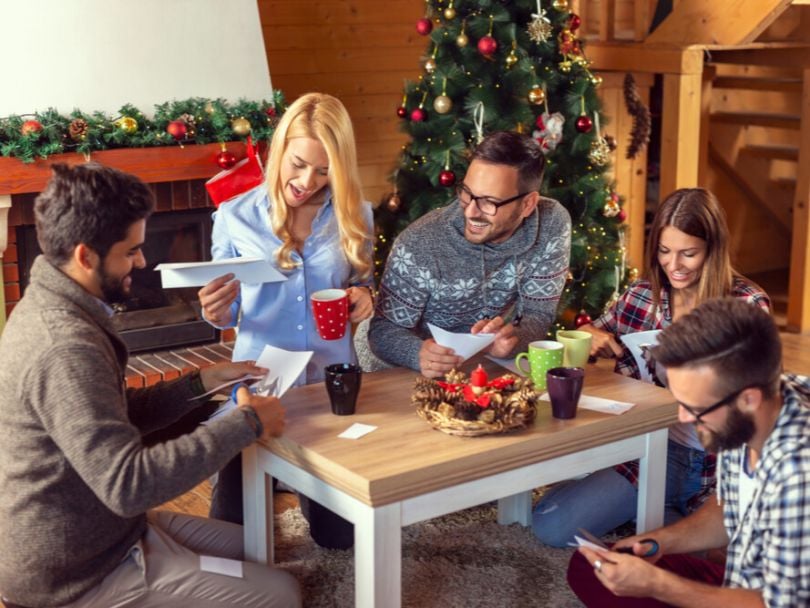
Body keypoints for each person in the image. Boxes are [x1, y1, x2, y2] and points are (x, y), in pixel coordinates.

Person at [0, 164, 300, 607]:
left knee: (259, 548)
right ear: (85, 256)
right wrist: (247, 423)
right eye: (131, 251)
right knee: (280, 595)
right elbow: (130, 486)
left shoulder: (60, 303)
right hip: (74, 571)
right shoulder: (63, 347)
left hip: (110, 530)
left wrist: (199, 381)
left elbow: (113, 412)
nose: (141, 262)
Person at [532, 188, 770, 547]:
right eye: (664, 251)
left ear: (713, 249)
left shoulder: (748, 305)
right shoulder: (644, 294)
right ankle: (651, 515)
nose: (673, 265)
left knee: (717, 556)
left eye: (688, 253)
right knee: (550, 527)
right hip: (651, 451)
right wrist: (588, 334)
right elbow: (591, 335)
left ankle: (660, 521)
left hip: (717, 466)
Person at [197, 93, 374, 549]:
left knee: (341, 540)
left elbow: (362, 282)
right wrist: (216, 311)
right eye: (298, 163)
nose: (307, 181)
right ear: (278, 152)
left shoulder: (356, 216)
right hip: (258, 386)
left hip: (329, 385)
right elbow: (228, 311)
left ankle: (309, 490)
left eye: (323, 170)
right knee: (230, 539)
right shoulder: (234, 217)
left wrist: (363, 296)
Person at [568, 297, 810, 607]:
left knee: (640, 584)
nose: (683, 418)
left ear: (749, 399)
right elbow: (728, 508)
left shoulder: (797, 474)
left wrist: (659, 585)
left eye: (694, 408)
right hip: (745, 581)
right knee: (594, 567)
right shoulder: (752, 407)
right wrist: (659, 542)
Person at [368, 130, 571, 376]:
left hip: (483, 372)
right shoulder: (421, 243)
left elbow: (538, 314)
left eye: (489, 202)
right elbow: (382, 331)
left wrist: (513, 339)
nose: (471, 212)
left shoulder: (551, 223)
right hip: (405, 375)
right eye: (467, 193)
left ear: (528, 204)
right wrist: (416, 353)